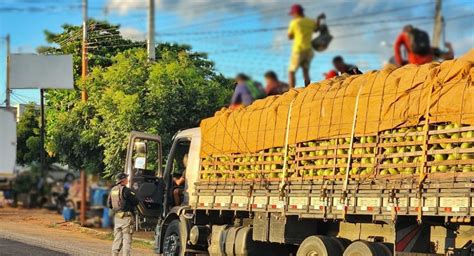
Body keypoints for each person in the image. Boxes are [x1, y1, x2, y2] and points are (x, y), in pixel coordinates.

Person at [287, 4, 325, 88]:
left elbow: (289, 36)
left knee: (291, 71)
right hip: (309, 50)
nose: (292, 15)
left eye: (293, 14)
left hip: (298, 49)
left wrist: (295, 34)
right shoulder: (310, 21)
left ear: (296, 13)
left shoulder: (294, 22)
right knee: (305, 71)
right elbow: (316, 29)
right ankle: (308, 89)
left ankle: (291, 91)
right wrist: (318, 20)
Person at [108, 173, 139, 256]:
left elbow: (109, 204)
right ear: (123, 180)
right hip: (126, 218)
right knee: (127, 240)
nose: (128, 180)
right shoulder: (126, 190)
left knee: (117, 239)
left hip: (117, 218)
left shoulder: (113, 190)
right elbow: (136, 201)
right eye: (126, 178)